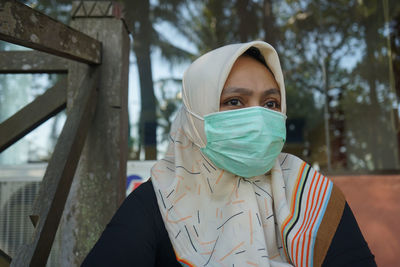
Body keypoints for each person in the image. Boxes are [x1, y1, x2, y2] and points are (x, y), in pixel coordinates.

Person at [82, 41, 376, 267]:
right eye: (235, 101)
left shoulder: (310, 192)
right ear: (197, 117)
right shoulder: (159, 201)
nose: (258, 117)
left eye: (271, 103)